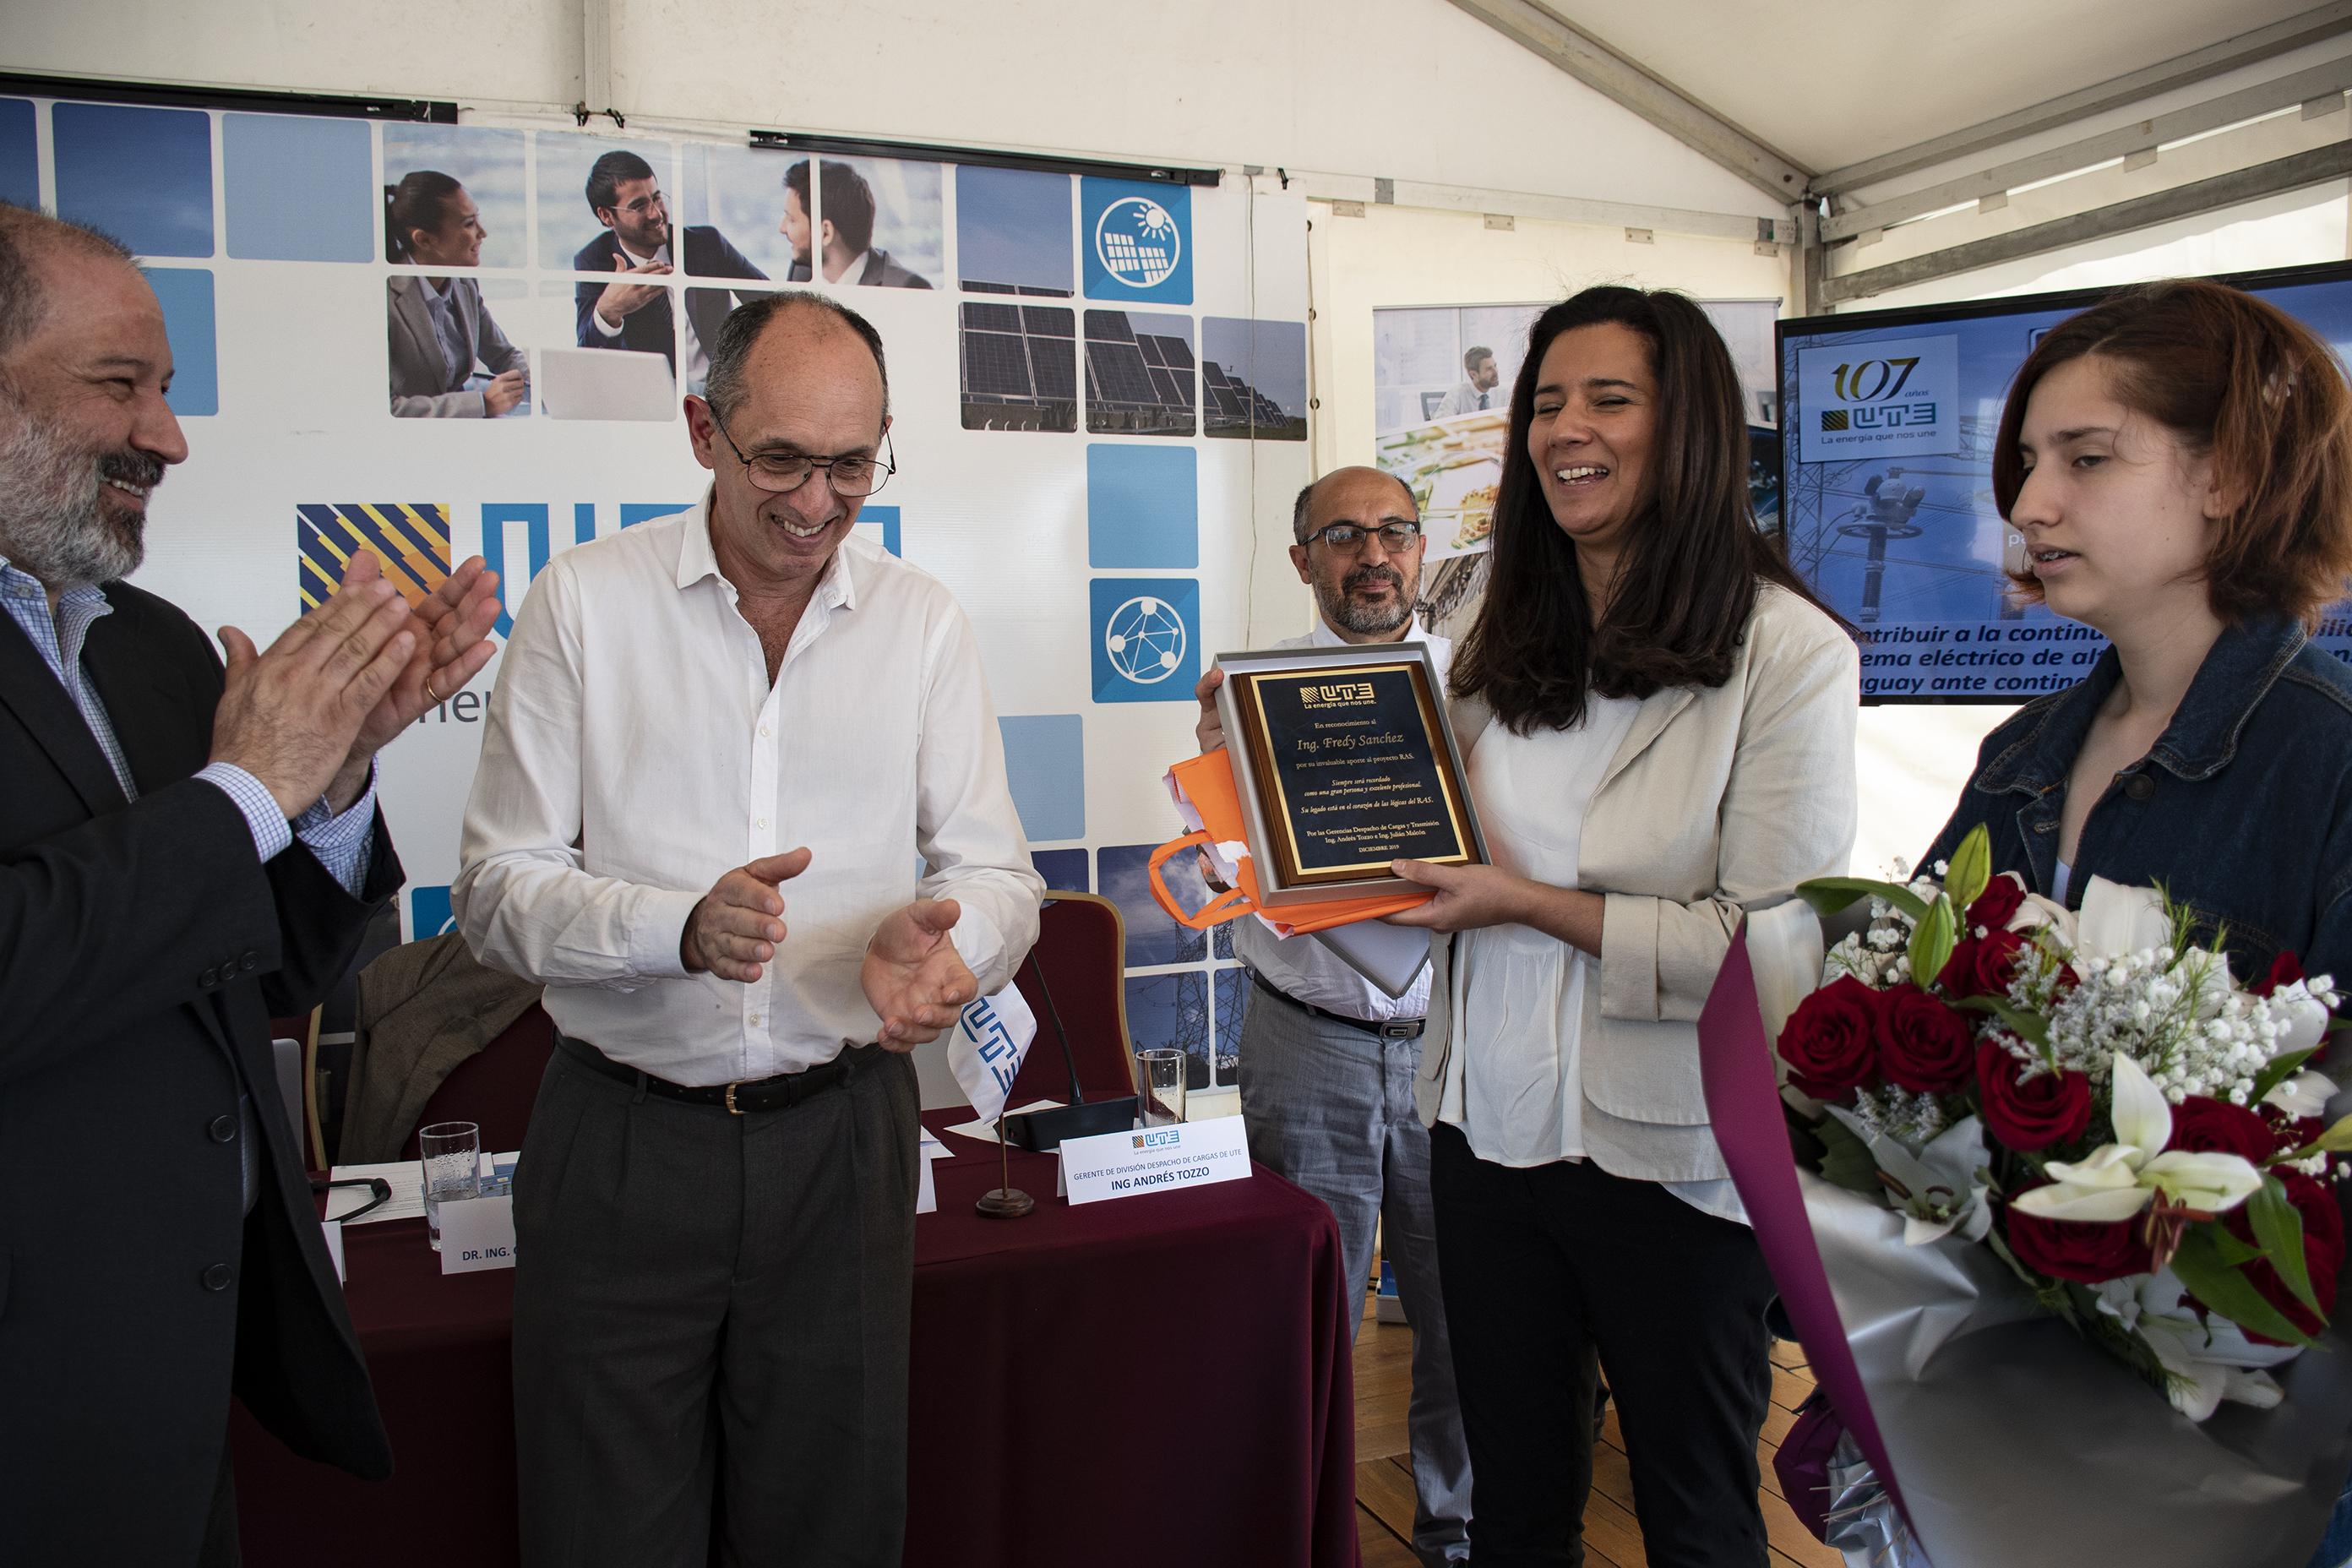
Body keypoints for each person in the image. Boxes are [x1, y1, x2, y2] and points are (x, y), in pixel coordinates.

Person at [455, 289, 1042, 1566]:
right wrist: (675, 929)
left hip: (845, 1141)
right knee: (604, 1532)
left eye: (852, 464)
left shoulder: (922, 622)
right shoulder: (583, 605)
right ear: (699, 430)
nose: (817, 502)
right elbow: (496, 892)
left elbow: (1000, 871)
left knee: (830, 1528)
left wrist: (955, 948)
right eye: (780, 457)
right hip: (620, 1144)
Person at [0, 201, 502, 1565]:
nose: (166, 437)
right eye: (120, 386)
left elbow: (270, 972)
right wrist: (247, 792)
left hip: (178, 1368)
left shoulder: (152, 646)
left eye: (164, 390)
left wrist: (331, 785)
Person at [1384, 285, 1859, 1566]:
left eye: (1608, 398)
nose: (1563, 430)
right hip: (1485, 1134)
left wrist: (1530, 905)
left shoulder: (1790, 653)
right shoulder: (1493, 634)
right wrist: (1267, 781)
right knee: (1518, 1500)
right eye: (1545, 403)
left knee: (1697, 1513)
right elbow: (1416, 862)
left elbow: (1776, 953)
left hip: (1676, 1161)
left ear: (1690, 426)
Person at [1918, 278, 2352, 1568]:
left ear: (2230, 475)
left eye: (2086, 460)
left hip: (2243, 1461)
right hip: (2012, 1407)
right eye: (2027, 463)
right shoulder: (2022, 752)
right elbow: (1909, 1033)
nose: (2028, 505)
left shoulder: (2325, 763)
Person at [1191, 466, 1474, 1568]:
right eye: (1344, 536)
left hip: (1456, 1053)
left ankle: (1459, 1535)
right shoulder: (1250, 697)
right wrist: (1224, 762)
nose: (1373, 556)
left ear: (1421, 547)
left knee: (1467, 1324)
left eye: (1394, 533)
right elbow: (1227, 865)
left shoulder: (1487, 691)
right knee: (1300, 1328)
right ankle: (1300, 1538)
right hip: (1306, 1047)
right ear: (1303, 558)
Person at [571, 149, 765, 380]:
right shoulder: (594, 261)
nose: (656, 214)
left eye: (657, 198)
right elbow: (588, 359)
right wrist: (609, 311)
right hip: (650, 399)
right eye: (639, 206)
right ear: (606, 216)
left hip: (722, 391)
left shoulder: (706, 244)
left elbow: (772, 303)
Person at [384, 170, 530, 418]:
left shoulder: (464, 282)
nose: (482, 233)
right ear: (425, 240)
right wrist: (483, 404)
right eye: (469, 224)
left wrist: (549, 385)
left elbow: (503, 355)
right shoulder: (384, 299)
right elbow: (386, 408)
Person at [781, 159, 934, 289]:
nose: (781, 228)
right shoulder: (801, 273)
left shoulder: (906, 289)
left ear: (825, 233)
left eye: (792, 219)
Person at [1434, 346, 1500, 417]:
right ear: (1473, 374)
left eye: (1495, 366)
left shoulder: (1503, 394)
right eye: (1489, 369)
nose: (1496, 372)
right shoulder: (1457, 393)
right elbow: (1440, 421)